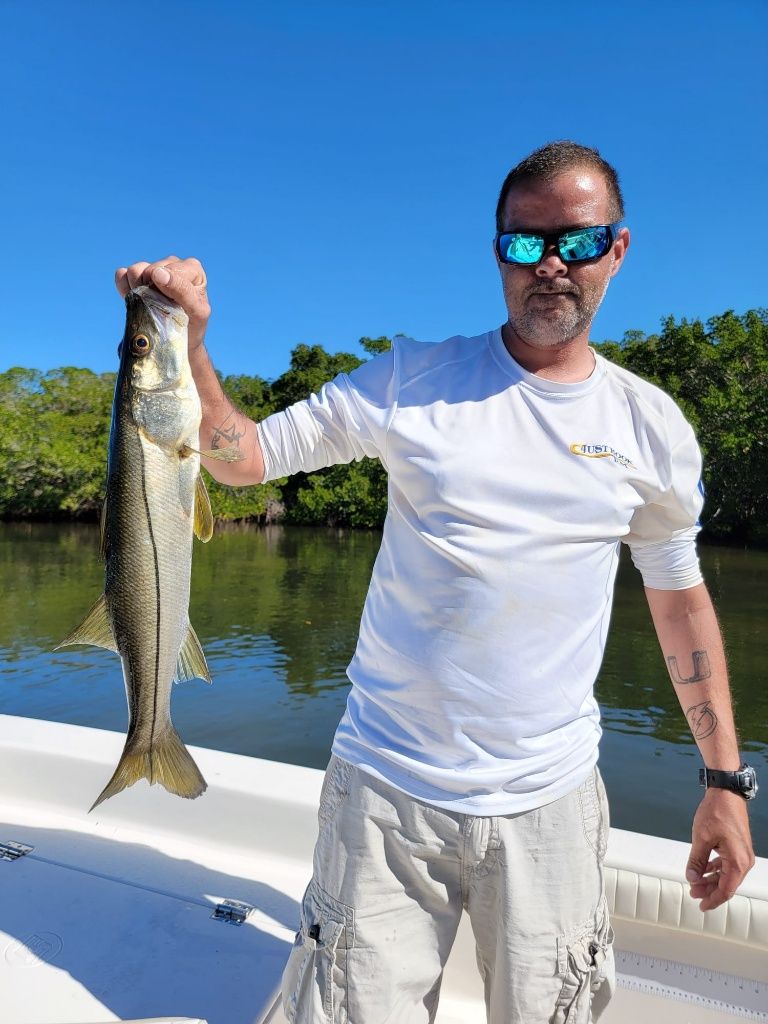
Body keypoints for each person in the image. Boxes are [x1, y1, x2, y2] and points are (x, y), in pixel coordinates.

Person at [116, 141, 756, 1024]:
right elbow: (244, 459)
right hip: (383, 788)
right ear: (498, 251)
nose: (551, 265)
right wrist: (187, 338)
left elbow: (681, 605)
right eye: (524, 244)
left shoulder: (651, 428)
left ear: (618, 248)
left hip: (553, 803)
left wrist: (725, 783)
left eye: (576, 240)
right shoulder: (412, 379)